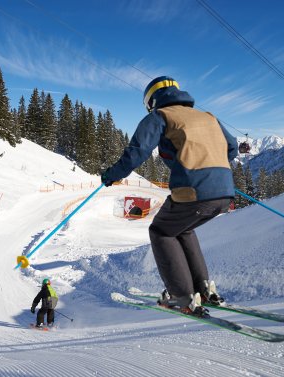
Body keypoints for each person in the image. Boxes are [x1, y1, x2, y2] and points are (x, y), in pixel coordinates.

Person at [101, 76, 238, 317]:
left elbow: (137, 151)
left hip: (194, 191)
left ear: (151, 101)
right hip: (225, 191)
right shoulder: (208, 116)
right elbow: (232, 147)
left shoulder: (160, 116)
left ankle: (181, 296)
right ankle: (203, 289)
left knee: (161, 232)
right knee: (182, 229)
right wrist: (212, 168)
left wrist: (113, 175)